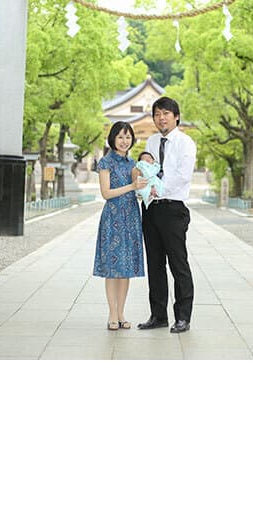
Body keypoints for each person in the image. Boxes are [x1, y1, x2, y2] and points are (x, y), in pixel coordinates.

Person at [137, 96, 197, 334]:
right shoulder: (151, 141)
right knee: (155, 264)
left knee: (178, 263)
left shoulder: (185, 143)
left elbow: (183, 175)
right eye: (157, 114)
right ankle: (158, 315)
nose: (161, 118)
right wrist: (146, 189)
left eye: (166, 114)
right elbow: (145, 167)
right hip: (152, 208)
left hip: (173, 207)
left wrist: (158, 187)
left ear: (176, 117)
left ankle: (183, 316)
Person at [93, 121, 148, 330]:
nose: (125, 141)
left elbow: (137, 190)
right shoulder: (106, 162)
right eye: (120, 137)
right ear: (113, 139)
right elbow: (106, 193)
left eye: (128, 137)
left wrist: (144, 190)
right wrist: (132, 186)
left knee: (125, 268)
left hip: (131, 216)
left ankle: (122, 312)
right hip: (113, 217)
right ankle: (112, 314)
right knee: (112, 268)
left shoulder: (134, 163)